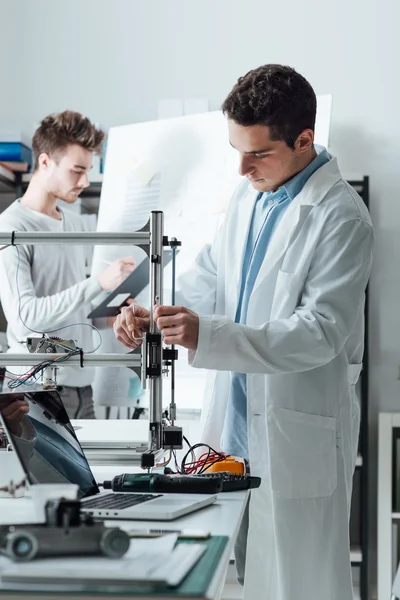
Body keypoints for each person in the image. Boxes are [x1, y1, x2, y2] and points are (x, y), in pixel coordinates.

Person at [113, 64, 374, 600]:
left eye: (257, 153)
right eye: (236, 149)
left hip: (291, 436)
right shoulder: (251, 196)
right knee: (243, 578)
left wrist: (205, 334)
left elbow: (319, 332)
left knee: (296, 585)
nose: (240, 167)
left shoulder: (341, 217)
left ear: (304, 140)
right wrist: (150, 311)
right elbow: (212, 272)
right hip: (233, 431)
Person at [0, 111, 135, 419]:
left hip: (81, 388)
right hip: (34, 387)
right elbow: (25, 319)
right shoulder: (11, 227)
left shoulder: (73, 224)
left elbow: (73, 311)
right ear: (45, 162)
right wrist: (98, 283)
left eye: (87, 171)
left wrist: (113, 314)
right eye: (77, 171)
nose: (85, 181)